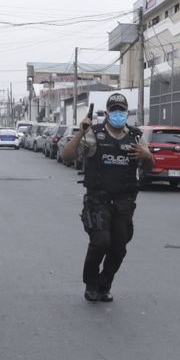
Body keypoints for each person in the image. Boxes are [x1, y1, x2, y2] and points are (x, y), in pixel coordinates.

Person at [61, 93, 154, 302]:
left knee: (119, 247)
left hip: (124, 203)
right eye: (114, 110)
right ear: (107, 113)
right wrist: (80, 132)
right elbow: (66, 156)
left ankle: (105, 284)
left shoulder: (136, 137)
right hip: (98, 201)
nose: (118, 114)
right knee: (101, 241)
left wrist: (147, 157)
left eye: (122, 110)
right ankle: (91, 283)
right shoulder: (94, 134)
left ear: (127, 113)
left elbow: (149, 166)